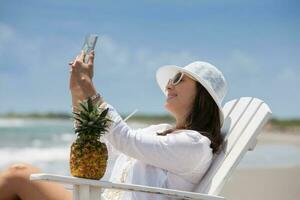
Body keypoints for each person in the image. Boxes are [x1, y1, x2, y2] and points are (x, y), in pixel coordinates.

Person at [0, 50, 227, 200]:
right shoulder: (158, 131)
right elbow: (101, 141)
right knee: (19, 175)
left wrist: (90, 88)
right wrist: (78, 91)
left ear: (202, 95)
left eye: (178, 79)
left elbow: (125, 139)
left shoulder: (194, 145)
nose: (168, 85)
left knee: (18, 175)